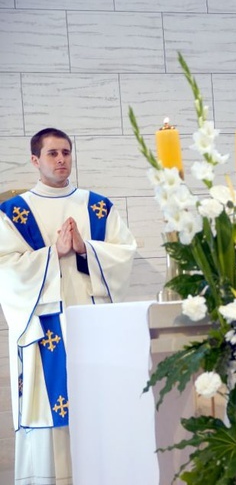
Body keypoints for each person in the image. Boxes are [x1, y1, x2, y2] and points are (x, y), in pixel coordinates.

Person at [0, 128, 136, 484]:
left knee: (98, 412)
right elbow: (6, 270)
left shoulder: (97, 206)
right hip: (45, 332)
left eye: (66, 152)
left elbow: (124, 255)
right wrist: (52, 254)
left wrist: (84, 249)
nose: (61, 160)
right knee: (51, 415)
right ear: (35, 160)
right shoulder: (14, 212)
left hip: (92, 327)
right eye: (52, 154)